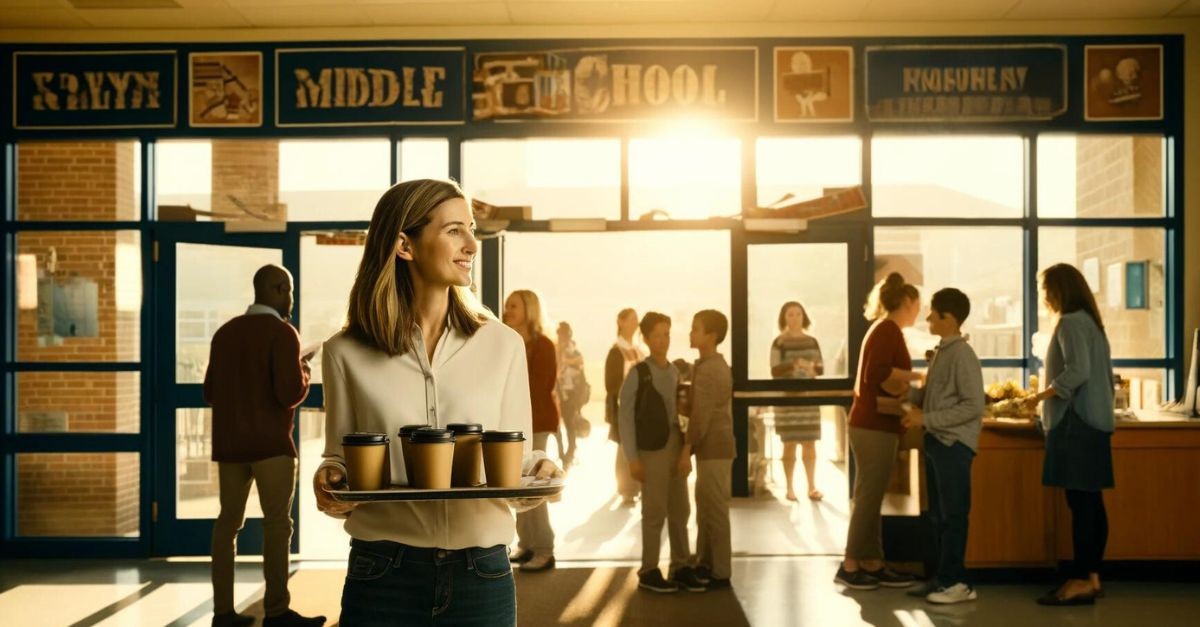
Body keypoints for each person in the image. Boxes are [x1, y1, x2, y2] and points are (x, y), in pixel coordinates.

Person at [312, 179, 561, 626]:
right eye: (453, 231)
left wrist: (541, 469)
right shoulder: (344, 351)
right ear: (404, 245)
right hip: (382, 572)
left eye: (471, 228)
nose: (471, 244)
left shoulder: (503, 344)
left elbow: (519, 461)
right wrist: (329, 478)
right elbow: (342, 458)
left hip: (482, 572)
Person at [203, 264, 322, 627]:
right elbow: (288, 393)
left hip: (230, 447)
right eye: (287, 291)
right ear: (277, 289)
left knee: (227, 526)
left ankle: (223, 613)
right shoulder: (283, 333)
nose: (290, 298)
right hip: (271, 446)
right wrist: (304, 369)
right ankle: (276, 611)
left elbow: (210, 392)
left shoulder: (224, 333)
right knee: (277, 527)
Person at [1025, 263, 1115, 607]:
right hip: (1094, 423)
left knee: (1081, 505)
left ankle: (1079, 580)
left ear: (1057, 290)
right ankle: (1091, 577)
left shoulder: (1069, 322)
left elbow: (1078, 371)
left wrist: (1042, 395)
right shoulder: (1089, 321)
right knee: (1091, 503)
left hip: (1076, 425)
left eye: (1043, 288)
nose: (1042, 296)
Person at [835, 272, 923, 591]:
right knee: (869, 497)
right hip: (873, 425)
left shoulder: (886, 329)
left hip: (872, 424)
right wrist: (918, 377)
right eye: (918, 304)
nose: (920, 310)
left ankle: (872, 561)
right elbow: (879, 373)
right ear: (908, 301)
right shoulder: (888, 330)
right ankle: (849, 563)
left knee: (870, 495)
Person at [901, 288, 985, 605]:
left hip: (953, 445)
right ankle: (940, 578)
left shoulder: (962, 355)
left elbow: (973, 406)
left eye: (933, 313)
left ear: (948, 318)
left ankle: (956, 582)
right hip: (937, 443)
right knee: (937, 516)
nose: (927, 318)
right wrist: (909, 399)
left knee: (954, 516)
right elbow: (939, 397)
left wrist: (928, 418)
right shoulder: (943, 351)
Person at [620, 312, 705, 593]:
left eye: (667, 334)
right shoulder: (638, 373)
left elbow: (683, 415)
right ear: (645, 338)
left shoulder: (673, 372)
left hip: (675, 448)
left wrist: (685, 453)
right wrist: (632, 458)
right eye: (657, 335)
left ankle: (680, 566)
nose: (663, 340)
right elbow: (625, 418)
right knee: (654, 511)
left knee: (680, 509)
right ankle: (649, 570)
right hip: (651, 452)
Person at [680, 310, 735, 591]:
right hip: (709, 450)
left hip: (715, 449)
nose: (691, 333)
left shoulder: (712, 369)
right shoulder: (704, 365)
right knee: (706, 508)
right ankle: (705, 561)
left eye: (696, 328)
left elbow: (700, 415)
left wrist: (686, 448)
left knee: (715, 510)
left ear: (711, 336)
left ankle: (721, 571)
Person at [505, 289, 559, 572]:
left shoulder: (544, 346)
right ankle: (526, 544)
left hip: (537, 423)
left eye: (513, 306)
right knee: (518, 484)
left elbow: (537, 389)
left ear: (529, 309)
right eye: (506, 306)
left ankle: (545, 548)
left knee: (535, 484)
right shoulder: (508, 343)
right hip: (514, 424)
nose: (507, 310)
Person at [770, 301, 826, 502]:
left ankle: (812, 486)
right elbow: (774, 370)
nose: (794, 318)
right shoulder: (779, 342)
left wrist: (810, 367)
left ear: (804, 317)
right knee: (789, 444)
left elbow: (821, 369)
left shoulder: (812, 342)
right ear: (783, 318)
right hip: (787, 400)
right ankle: (790, 488)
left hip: (808, 399)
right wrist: (793, 364)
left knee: (810, 444)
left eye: (798, 314)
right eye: (790, 314)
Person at [606, 308, 644, 506]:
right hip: (623, 409)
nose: (636, 323)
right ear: (620, 322)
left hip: (638, 409)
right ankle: (626, 489)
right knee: (624, 448)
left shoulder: (638, 349)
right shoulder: (616, 351)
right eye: (632, 319)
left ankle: (634, 486)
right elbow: (611, 385)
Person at [556, 321, 589, 467]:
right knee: (558, 426)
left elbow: (579, 363)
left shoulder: (572, 350)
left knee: (569, 424)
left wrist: (565, 361)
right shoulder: (557, 349)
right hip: (559, 392)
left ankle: (568, 454)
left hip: (571, 394)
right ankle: (565, 453)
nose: (561, 337)